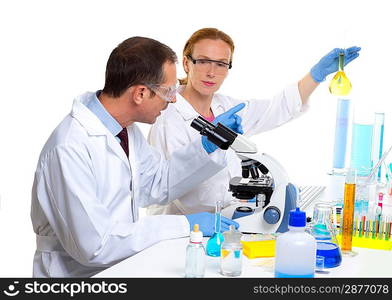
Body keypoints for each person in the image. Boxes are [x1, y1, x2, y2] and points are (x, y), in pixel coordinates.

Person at [30, 36, 241, 278]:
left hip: (118, 269)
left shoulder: (124, 130)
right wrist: (184, 224)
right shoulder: (69, 147)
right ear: (140, 93)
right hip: (73, 277)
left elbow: (158, 183)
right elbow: (96, 245)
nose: (173, 99)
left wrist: (209, 144)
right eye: (168, 91)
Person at [147, 27, 361, 215]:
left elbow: (277, 108)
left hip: (221, 220)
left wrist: (316, 75)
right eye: (203, 61)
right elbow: (181, 191)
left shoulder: (229, 109)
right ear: (186, 63)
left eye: (221, 64)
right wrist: (245, 207)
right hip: (179, 230)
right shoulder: (167, 117)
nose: (211, 72)